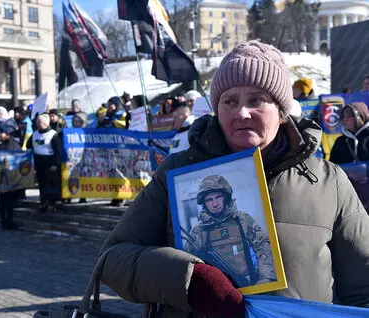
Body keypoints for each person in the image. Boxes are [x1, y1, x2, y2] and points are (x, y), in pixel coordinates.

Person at [84, 41, 369, 317]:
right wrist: (187, 279)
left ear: (282, 111)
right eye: (229, 100)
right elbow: (112, 259)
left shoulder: (328, 182)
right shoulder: (177, 172)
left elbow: (363, 289)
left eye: (256, 100)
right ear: (216, 109)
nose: (242, 112)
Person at [185, 175, 275, 288]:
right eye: (209, 200)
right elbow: (187, 263)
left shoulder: (242, 219)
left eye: (218, 197)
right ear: (204, 203)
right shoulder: (198, 231)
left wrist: (266, 277)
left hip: (249, 283)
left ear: (226, 197)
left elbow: (262, 245)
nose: (215, 204)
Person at [0, 122, 21, 230]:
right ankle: (3, 221)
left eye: (1, 133)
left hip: (11, 176)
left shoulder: (13, 144)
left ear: (7, 134)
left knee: (10, 201)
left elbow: (19, 157)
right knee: (1, 200)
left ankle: (9, 220)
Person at [27, 113, 61, 212]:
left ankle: (52, 203)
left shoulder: (53, 134)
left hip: (50, 162)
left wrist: (55, 164)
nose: (37, 124)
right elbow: (29, 145)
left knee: (51, 184)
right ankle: (43, 202)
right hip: (39, 162)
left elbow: (58, 151)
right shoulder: (35, 134)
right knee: (42, 183)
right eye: (37, 122)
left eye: (39, 122)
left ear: (46, 123)